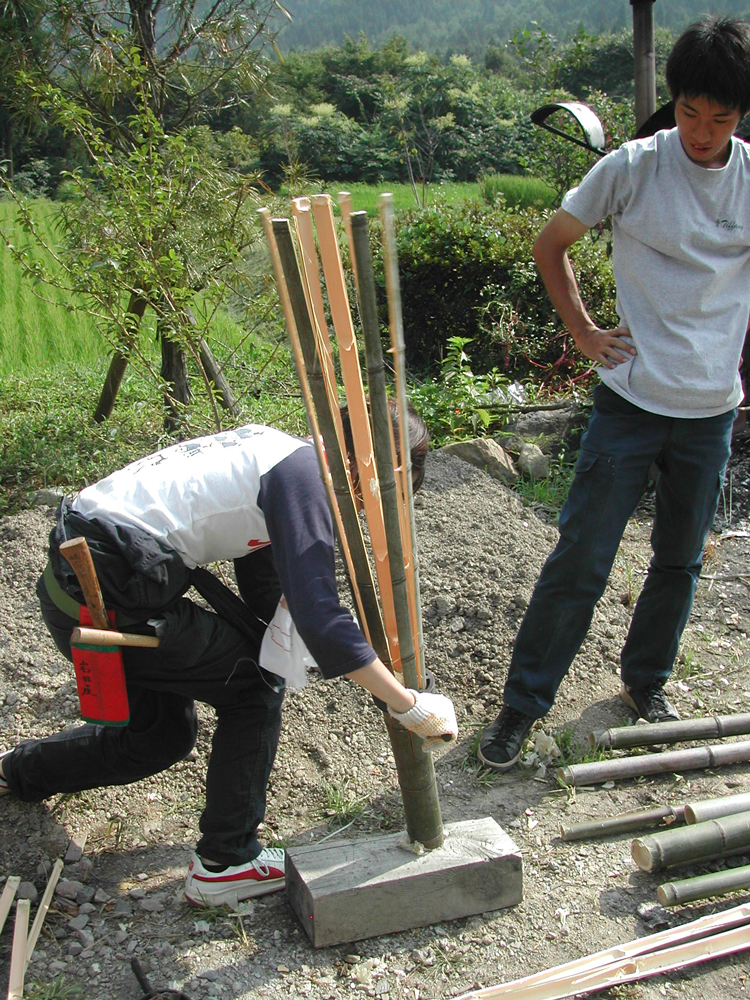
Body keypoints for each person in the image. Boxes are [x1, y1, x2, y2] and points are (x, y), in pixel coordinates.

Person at [0, 406, 457, 906]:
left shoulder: (275, 453)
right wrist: (404, 703)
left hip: (81, 592)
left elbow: (267, 583)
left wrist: (309, 639)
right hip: (109, 595)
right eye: (376, 498)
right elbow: (321, 620)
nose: (364, 511)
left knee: (161, 737)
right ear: (365, 467)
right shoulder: (305, 477)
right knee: (253, 687)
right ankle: (226, 862)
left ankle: (15, 772)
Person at [478, 15, 750, 771]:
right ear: (677, 103)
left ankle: (646, 682)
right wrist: (586, 331)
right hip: (629, 403)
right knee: (582, 559)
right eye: (690, 112)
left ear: (741, 114)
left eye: (719, 117)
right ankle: (520, 709)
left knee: (679, 561)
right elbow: (551, 244)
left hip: (710, 413)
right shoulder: (632, 166)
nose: (701, 131)